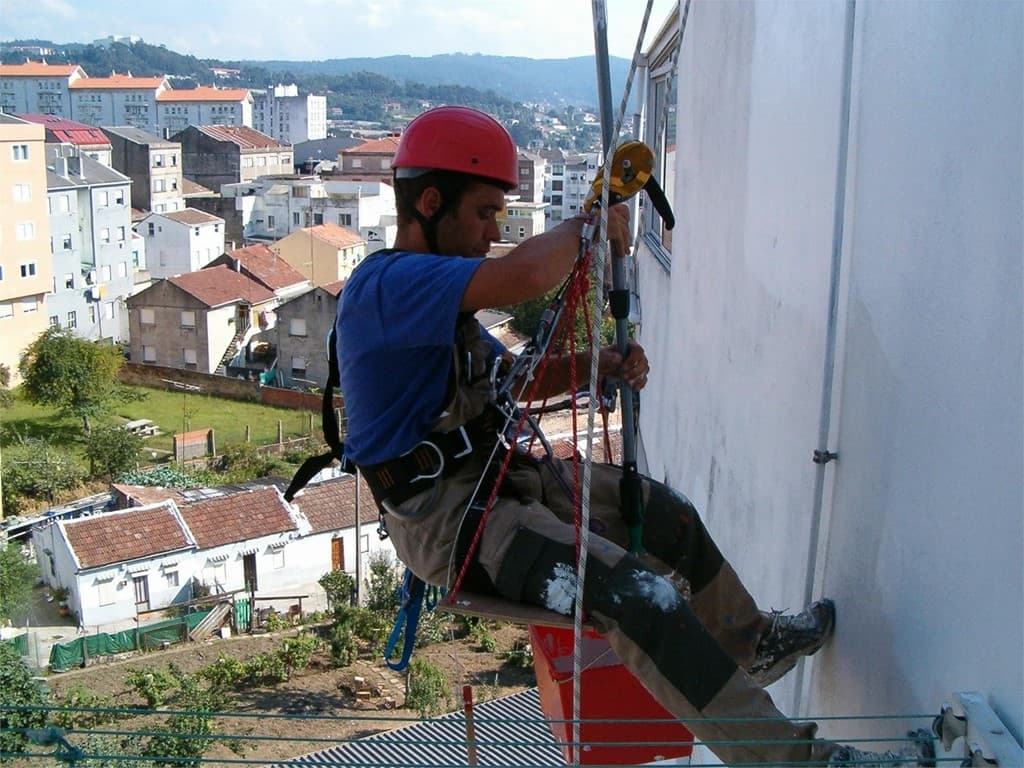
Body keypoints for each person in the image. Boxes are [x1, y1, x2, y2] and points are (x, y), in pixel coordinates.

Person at [335, 106, 932, 767]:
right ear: (428, 201)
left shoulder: (436, 301)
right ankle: (790, 760)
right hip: (451, 525)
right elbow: (532, 274)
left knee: (662, 512)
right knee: (638, 595)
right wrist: (586, 222)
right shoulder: (384, 287)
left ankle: (749, 641)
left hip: (497, 484)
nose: (492, 231)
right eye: (482, 212)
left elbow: (513, 379)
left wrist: (598, 367)